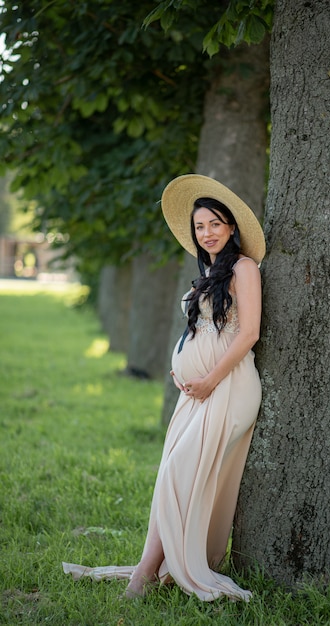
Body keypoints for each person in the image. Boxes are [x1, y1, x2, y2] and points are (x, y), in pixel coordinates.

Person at [63, 174, 265, 602]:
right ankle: (148, 568)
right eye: (199, 227)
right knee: (171, 474)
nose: (206, 233)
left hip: (229, 389)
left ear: (231, 226)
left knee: (178, 472)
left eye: (214, 224)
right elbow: (202, 331)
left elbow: (248, 334)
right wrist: (184, 371)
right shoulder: (210, 270)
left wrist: (209, 378)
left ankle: (143, 577)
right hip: (197, 391)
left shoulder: (245, 268)